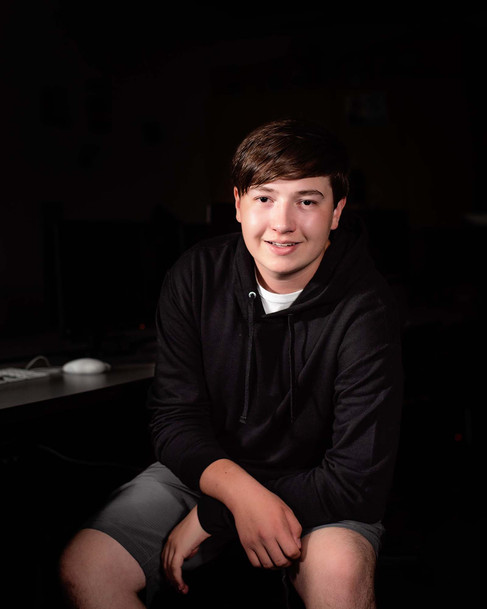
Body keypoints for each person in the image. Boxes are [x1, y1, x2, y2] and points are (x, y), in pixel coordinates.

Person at [60, 118, 403, 609]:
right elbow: (175, 418)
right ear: (239, 203)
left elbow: (356, 479)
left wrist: (213, 516)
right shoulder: (195, 276)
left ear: (336, 212)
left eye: (306, 201)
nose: (282, 223)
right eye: (265, 198)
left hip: (319, 484)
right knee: (87, 567)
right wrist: (237, 496)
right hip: (209, 471)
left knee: (340, 581)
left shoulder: (366, 306)